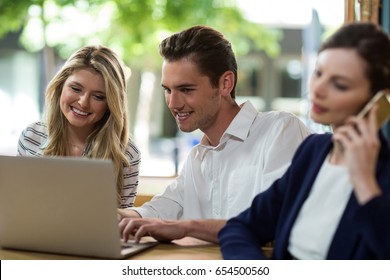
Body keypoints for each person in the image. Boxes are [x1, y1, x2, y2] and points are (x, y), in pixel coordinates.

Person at [118, 25, 311, 243]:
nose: (173, 103)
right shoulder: (197, 159)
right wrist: (115, 217)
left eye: (186, 89)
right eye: (168, 90)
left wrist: (186, 228)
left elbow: (274, 220)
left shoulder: (280, 130)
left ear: (225, 83)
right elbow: (160, 210)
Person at [218, 22, 390, 259]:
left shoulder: (382, 176)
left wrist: (364, 183)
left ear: (376, 101)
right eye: (319, 73)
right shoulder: (313, 151)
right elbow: (239, 227)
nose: (318, 89)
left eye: (339, 84)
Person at [18, 45, 140, 209]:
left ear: (111, 104)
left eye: (98, 96)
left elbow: (123, 224)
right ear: (61, 86)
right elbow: (21, 207)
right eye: (76, 88)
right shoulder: (31, 137)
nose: (83, 102)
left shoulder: (126, 154)